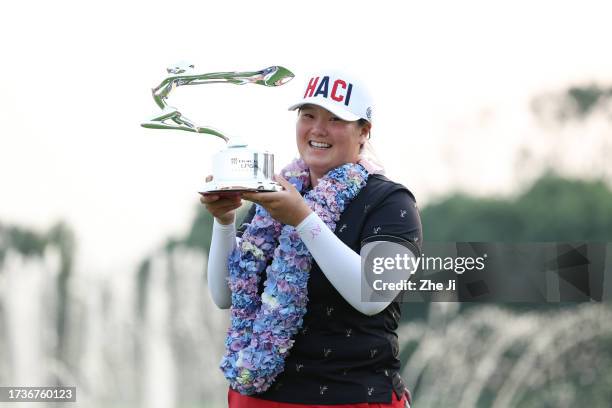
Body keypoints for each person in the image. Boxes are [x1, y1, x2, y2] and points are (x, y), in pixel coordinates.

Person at [201, 71, 422, 408]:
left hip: (350, 398)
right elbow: (223, 295)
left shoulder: (391, 202)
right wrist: (224, 221)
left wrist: (303, 220)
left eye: (335, 119)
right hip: (260, 399)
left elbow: (372, 295)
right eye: (309, 115)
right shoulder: (276, 194)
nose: (318, 129)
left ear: (364, 132)